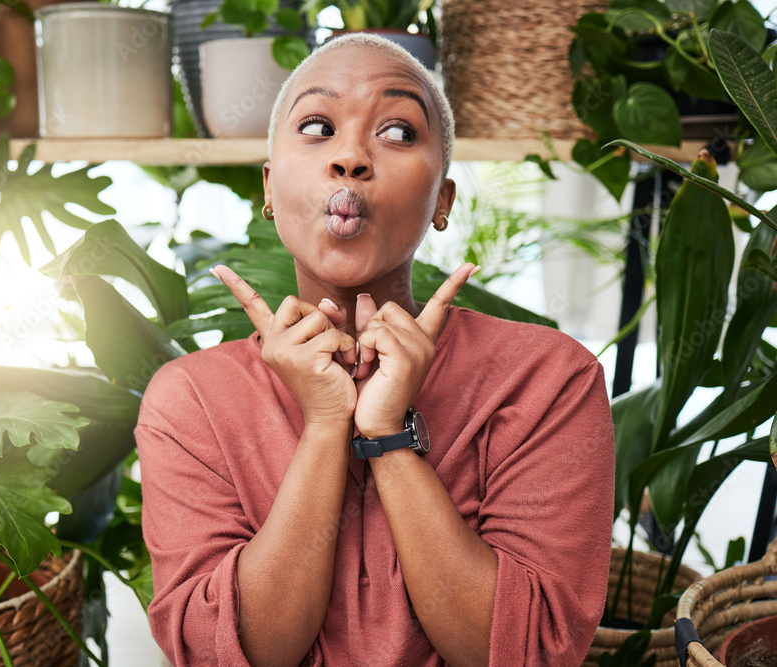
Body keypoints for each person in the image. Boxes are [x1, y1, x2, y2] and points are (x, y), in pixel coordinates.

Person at [135, 33, 615, 667]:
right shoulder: (189, 401)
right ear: (270, 188)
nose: (351, 158)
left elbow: (529, 654)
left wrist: (386, 435)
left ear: (442, 199)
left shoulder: (550, 379)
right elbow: (224, 654)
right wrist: (326, 427)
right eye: (316, 125)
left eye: (396, 132)